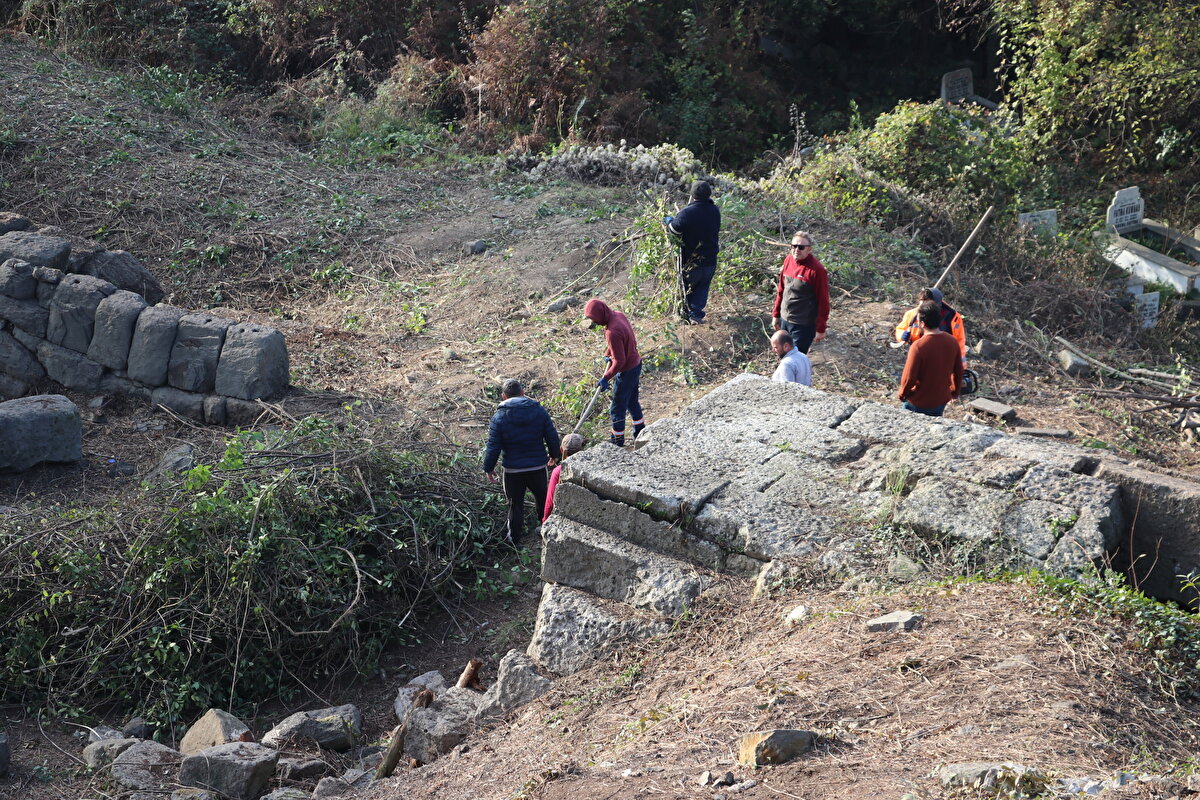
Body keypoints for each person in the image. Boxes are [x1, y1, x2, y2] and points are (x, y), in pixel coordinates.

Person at [483, 378, 562, 546]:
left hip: (513, 471)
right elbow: (551, 434)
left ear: (504, 396)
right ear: (523, 392)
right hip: (537, 467)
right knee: (543, 499)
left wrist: (489, 468)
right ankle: (546, 530)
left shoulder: (499, 417)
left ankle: (514, 541)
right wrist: (554, 455)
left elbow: (493, 446)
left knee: (515, 505)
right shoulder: (538, 410)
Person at [583, 298, 645, 447]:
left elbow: (620, 361)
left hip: (627, 371)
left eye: (594, 319)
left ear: (600, 314)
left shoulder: (612, 331)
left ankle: (617, 441)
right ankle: (641, 432)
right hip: (636, 363)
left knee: (617, 407)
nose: (595, 323)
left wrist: (606, 377)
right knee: (632, 401)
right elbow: (622, 343)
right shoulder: (618, 315)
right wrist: (608, 353)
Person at [664, 180, 721, 324]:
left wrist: (669, 221)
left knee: (686, 287)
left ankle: (684, 314)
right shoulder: (715, 211)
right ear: (709, 194)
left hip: (691, 260)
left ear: (692, 195)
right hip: (710, 259)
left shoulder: (687, 213)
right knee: (702, 287)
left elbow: (674, 230)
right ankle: (695, 314)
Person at [897, 300, 964, 417]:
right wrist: (954, 392)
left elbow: (909, 378)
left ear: (922, 324)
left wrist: (902, 394)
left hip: (918, 401)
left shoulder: (918, 346)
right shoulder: (952, 341)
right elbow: (959, 370)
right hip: (940, 400)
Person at [771, 230, 830, 353]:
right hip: (785, 320)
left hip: (802, 325)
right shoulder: (788, 260)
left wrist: (821, 328)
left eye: (801, 247)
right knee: (783, 354)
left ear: (809, 249)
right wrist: (776, 314)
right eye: (794, 246)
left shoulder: (817, 270)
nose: (797, 250)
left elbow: (823, 301)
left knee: (795, 357)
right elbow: (781, 289)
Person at [893, 287, 967, 363]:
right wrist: (902, 335)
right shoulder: (911, 315)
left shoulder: (953, 317)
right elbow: (900, 329)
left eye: (927, 302)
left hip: (945, 359)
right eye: (922, 302)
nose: (923, 306)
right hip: (920, 355)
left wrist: (960, 363)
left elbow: (960, 341)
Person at [543, 433, 585, 522]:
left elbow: (550, 502)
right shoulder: (586, 468)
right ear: (581, 450)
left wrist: (545, 520)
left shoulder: (559, 471)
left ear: (561, 450)